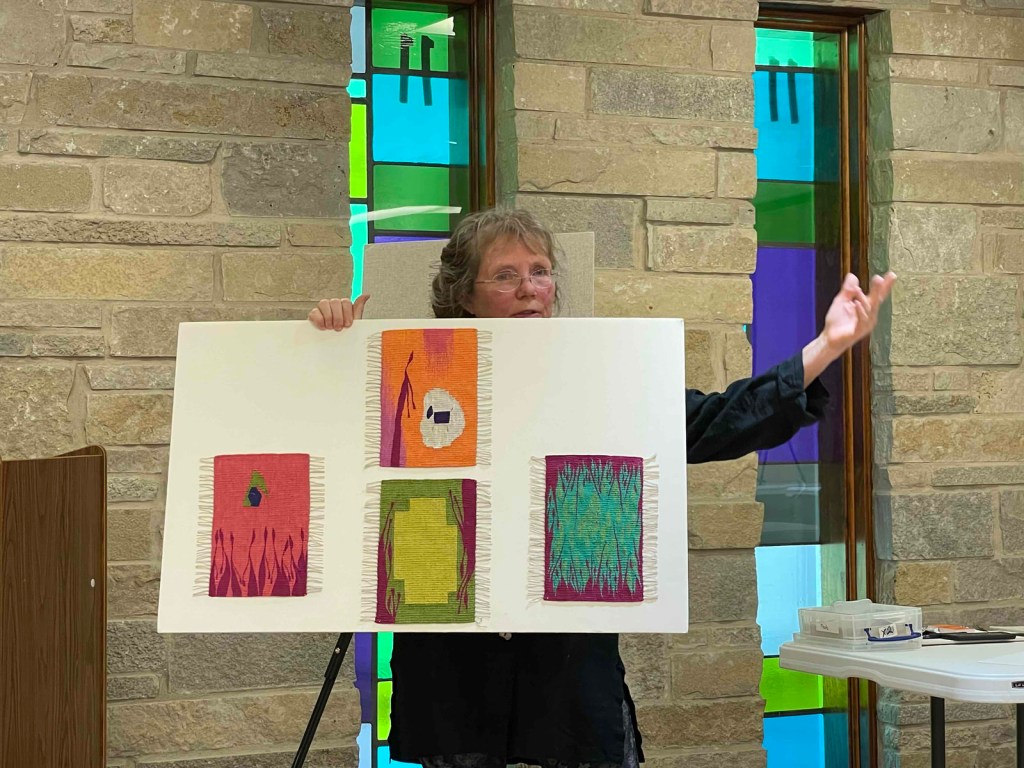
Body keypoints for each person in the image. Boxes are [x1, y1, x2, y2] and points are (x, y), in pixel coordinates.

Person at [309, 209, 896, 768]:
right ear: (463, 293)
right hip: (454, 665)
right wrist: (333, 353)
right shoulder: (409, 383)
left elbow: (720, 420)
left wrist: (829, 345)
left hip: (567, 667)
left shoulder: (599, 378)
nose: (528, 288)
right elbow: (326, 455)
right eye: (505, 275)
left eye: (540, 272)